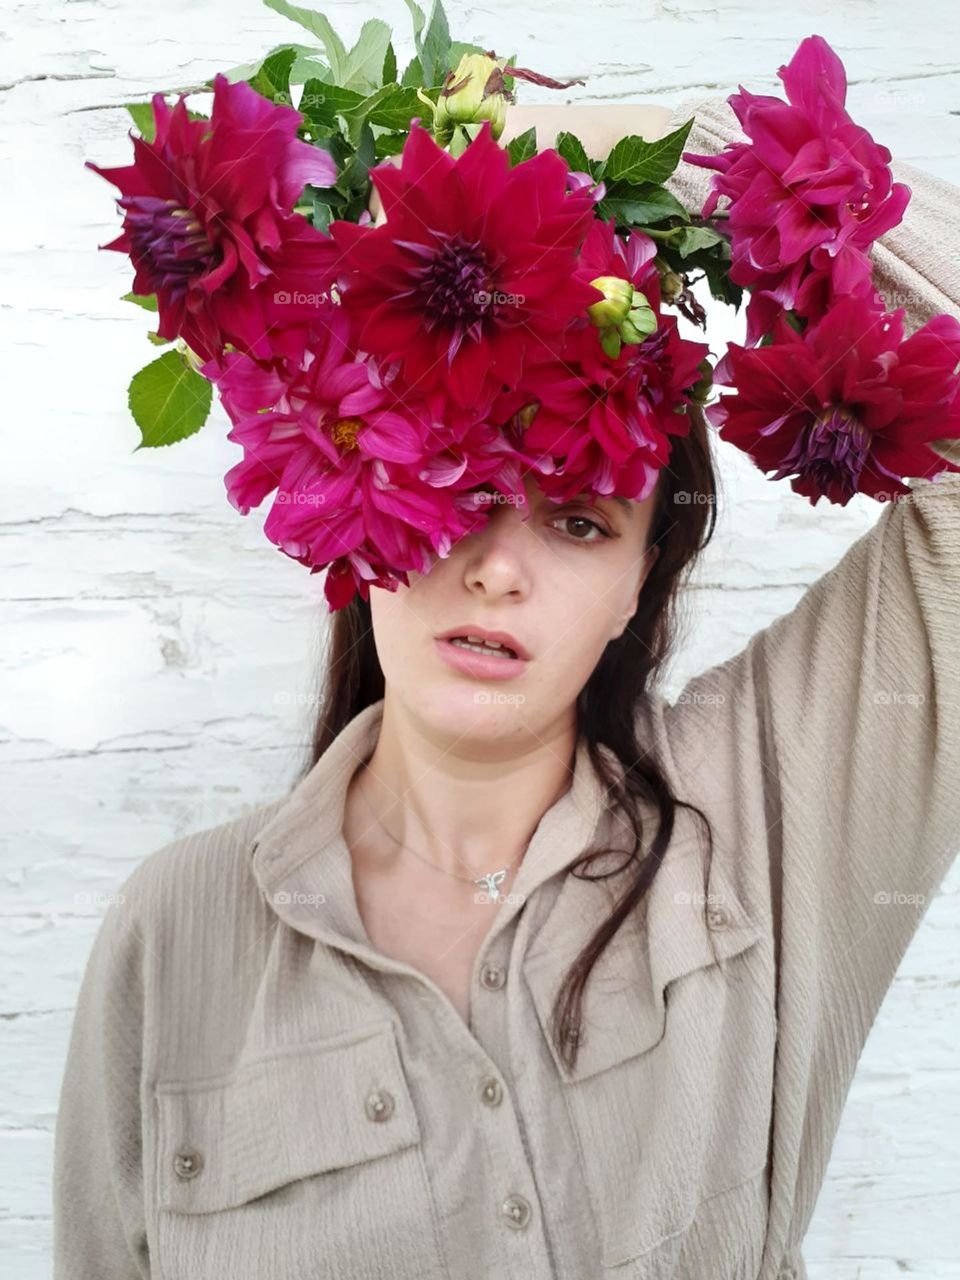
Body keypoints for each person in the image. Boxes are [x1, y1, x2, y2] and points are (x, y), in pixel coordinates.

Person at [51, 94, 960, 1280]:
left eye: (579, 517)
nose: (495, 566)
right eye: (459, 477)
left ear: (642, 580)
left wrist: (573, 153)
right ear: (361, 494)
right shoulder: (172, 934)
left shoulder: (767, 817)